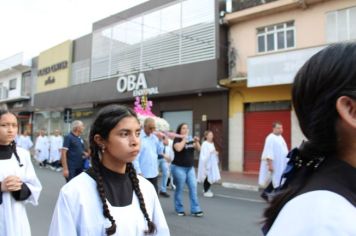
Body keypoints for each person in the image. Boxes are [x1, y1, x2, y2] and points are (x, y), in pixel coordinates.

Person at [263, 43, 356, 235]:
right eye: (278, 126)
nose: (281, 128)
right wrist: (272, 166)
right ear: (351, 110)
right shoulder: (327, 221)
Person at [49, 104, 170, 236]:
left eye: (137, 133)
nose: (135, 141)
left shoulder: (146, 189)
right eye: (124, 134)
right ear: (100, 140)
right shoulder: (74, 192)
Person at [0, 110, 42, 235]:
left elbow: (34, 186)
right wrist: (1, 187)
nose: (10, 130)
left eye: (14, 125)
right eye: (4, 125)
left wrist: (20, 188)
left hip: (17, 217)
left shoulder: (22, 154)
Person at [171, 123, 203, 217]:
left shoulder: (191, 139)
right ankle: (179, 209)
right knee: (179, 189)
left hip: (190, 168)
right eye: (183, 128)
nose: (186, 130)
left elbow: (199, 149)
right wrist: (184, 139)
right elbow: (178, 149)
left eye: (187, 128)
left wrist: (196, 142)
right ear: (180, 130)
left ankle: (195, 209)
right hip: (178, 168)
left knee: (193, 188)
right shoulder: (177, 139)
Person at [258, 121, 288, 201]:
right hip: (275, 164)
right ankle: (278, 199)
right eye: (278, 128)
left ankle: (265, 193)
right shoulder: (270, 138)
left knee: (277, 179)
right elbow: (269, 152)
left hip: (281, 163)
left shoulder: (280, 137)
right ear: (273, 128)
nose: (281, 129)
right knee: (277, 179)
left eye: (281, 128)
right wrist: (270, 165)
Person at [133, 117, 163, 193]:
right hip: (143, 174)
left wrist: (160, 140)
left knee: (154, 196)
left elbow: (160, 151)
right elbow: (135, 157)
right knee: (144, 198)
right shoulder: (139, 138)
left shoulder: (154, 137)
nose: (152, 130)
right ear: (144, 126)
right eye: (150, 128)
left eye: (154, 128)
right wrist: (138, 172)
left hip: (154, 173)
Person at [197, 130, 221, 197]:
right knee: (207, 176)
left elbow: (212, 152)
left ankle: (207, 189)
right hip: (207, 163)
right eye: (210, 135)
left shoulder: (211, 143)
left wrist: (215, 153)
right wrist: (211, 152)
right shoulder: (205, 144)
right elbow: (204, 154)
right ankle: (206, 190)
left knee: (211, 176)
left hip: (212, 163)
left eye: (212, 135)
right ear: (206, 136)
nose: (211, 136)